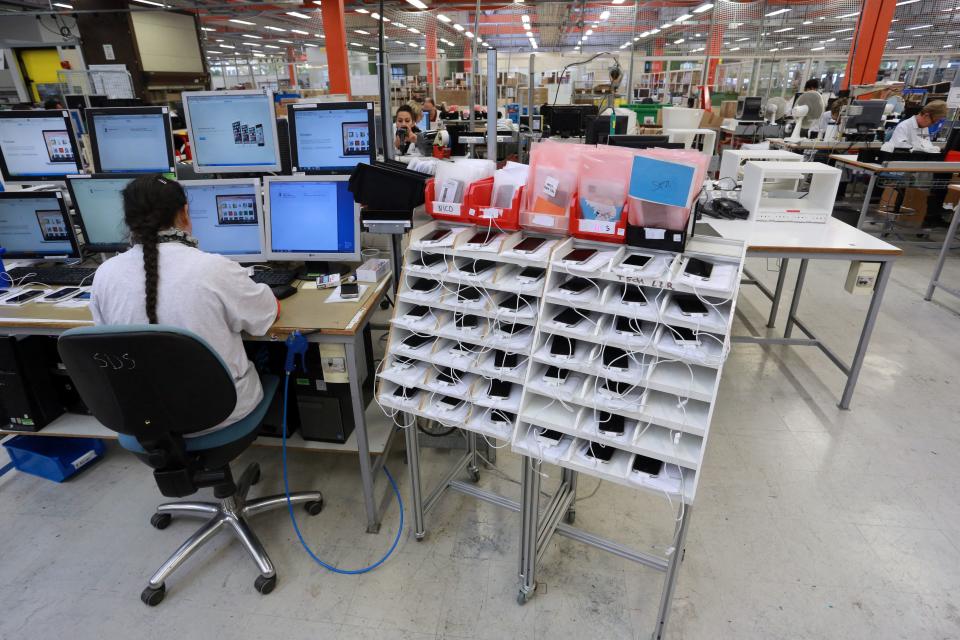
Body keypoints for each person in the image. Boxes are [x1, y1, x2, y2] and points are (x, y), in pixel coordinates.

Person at [91, 175, 279, 435]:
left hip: (144, 418)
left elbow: (103, 338)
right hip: (218, 411)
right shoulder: (213, 268)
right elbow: (266, 316)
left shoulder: (104, 274)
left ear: (129, 220)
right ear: (185, 214)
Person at [881, 100, 948, 153]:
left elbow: (927, 145)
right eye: (933, 121)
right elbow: (901, 150)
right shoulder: (904, 126)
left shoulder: (924, 128)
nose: (933, 124)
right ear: (926, 116)